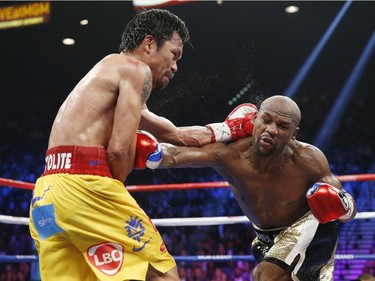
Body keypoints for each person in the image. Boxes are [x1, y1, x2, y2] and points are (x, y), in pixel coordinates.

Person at [28, 8, 256, 281]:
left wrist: (227, 130)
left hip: (47, 194)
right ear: (149, 43)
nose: (175, 67)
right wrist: (115, 190)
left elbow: (176, 135)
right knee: (163, 275)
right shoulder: (136, 70)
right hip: (86, 187)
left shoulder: (110, 73)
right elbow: (119, 150)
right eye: (174, 55)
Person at [151, 95, 357, 281]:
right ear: (255, 119)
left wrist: (342, 205)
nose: (272, 130)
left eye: (283, 126)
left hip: (309, 226)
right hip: (265, 237)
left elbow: (347, 208)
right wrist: (146, 151)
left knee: (264, 275)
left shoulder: (308, 159)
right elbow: (174, 155)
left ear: (294, 133)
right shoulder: (230, 155)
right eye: (266, 120)